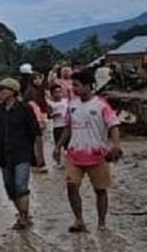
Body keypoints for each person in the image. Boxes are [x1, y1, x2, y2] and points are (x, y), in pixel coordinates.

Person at [54, 69, 123, 232]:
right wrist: (57, 147)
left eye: (77, 85)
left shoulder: (101, 105)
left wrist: (116, 145)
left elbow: (113, 126)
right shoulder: (72, 105)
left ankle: (101, 223)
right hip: (74, 154)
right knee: (72, 186)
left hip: (98, 155)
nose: (74, 89)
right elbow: (67, 128)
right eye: (72, 85)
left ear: (88, 86)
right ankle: (79, 220)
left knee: (100, 190)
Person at [0, 77, 44, 230]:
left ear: (13, 92)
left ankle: (23, 217)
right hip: (5, 155)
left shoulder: (25, 109)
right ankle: (23, 213)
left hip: (22, 153)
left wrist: (40, 155)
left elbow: (36, 133)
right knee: (10, 188)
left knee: (20, 185)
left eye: (2, 89)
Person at [24, 72, 50, 173]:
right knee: (37, 140)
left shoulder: (39, 91)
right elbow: (33, 107)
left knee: (38, 140)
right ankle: (38, 161)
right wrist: (40, 120)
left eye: (40, 78)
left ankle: (38, 161)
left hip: (40, 117)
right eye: (36, 79)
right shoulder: (31, 92)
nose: (38, 81)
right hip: (34, 119)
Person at [46, 83, 69, 167]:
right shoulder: (50, 104)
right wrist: (54, 114)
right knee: (58, 145)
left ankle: (69, 162)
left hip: (66, 126)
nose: (58, 94)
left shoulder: (66, 101)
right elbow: (48, 115)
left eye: (60, 92)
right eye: (56, 92)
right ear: (52, 94)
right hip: (57, 127)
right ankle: (58, 163)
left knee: (68, 146)